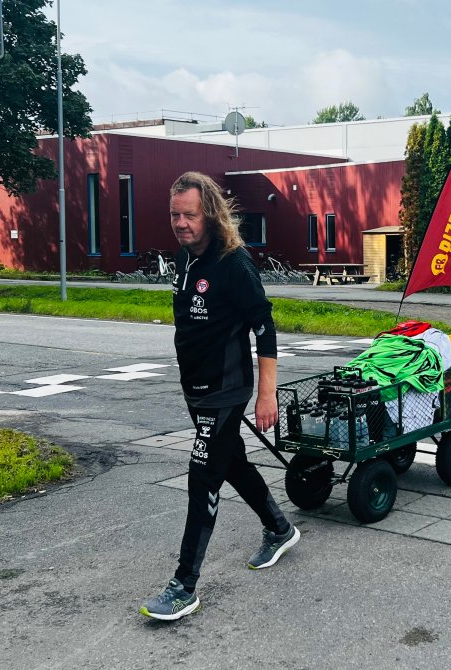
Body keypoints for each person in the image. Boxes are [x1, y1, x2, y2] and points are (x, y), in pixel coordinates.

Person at [140, 171, 299, 622]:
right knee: (231, 461)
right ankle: (279, 528)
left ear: (209, 213)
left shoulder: (234, 263)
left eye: (189, 214)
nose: (181, 223)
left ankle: (183, 585)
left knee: (202, 474)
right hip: (197, 388)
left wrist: (266, 395)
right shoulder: (184, 257)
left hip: (228, 389)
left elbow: (264, 328)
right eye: (174, 214)